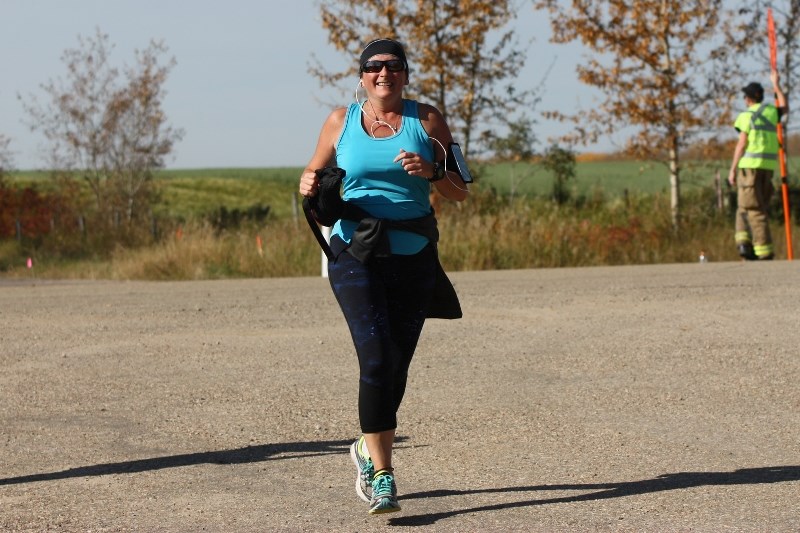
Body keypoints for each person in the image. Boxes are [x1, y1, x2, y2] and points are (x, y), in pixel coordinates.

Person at [298, 38, 469, 515]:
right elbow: (311, 174)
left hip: (413, 252)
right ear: (362, 75)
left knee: (396, 363)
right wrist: (308, 181)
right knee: (374, 359)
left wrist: (433, 172)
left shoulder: (428, 120)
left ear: (405, 73)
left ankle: (363, 446)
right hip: (354, 249)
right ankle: (383, 474)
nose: (383, 74)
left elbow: (460, 191)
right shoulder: (340, 121)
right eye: (374, 67)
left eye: (393, 66)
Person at [727, 69, 788, 260]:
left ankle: (763, 250)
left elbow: (742, 144)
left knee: (753, 209)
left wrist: (732, 169)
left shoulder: (745, 116)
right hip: (767, 168)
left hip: (749, 169)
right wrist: (776, 85)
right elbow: (785, 107)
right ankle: (744, 245)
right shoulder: (770, 112)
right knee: (744, 206)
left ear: (749, 99)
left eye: (745, 96)